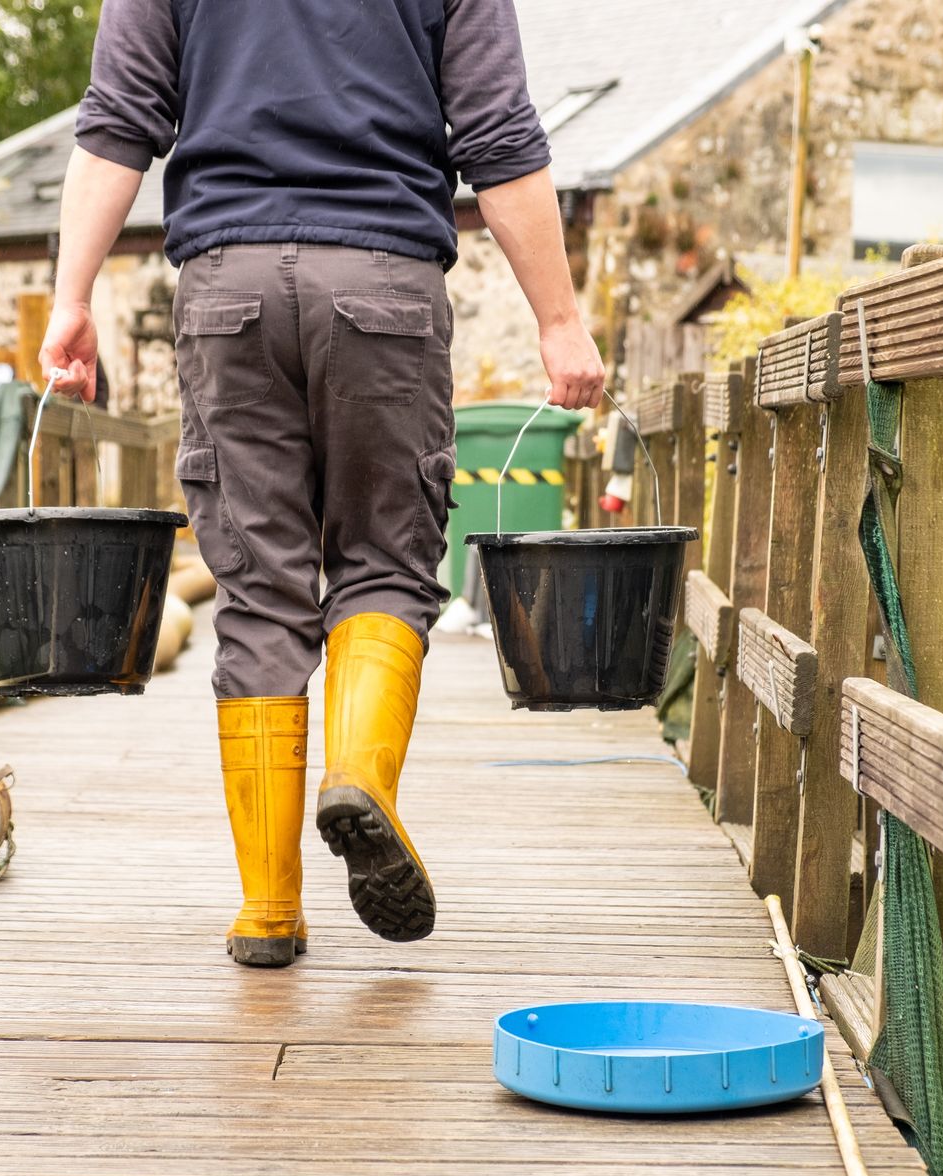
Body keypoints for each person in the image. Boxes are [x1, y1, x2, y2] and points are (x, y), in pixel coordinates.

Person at [40, 0, 605, 968]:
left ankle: (266, 910)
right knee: (386, 564)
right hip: (382, 282)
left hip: (228, 289)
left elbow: (118, 119)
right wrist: (557, 318)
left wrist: (70, 297)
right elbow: (499, 134)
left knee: (260, 589)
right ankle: (359, 778)